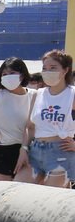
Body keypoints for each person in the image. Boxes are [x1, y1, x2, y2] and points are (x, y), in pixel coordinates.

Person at [25, 49, 75, 188]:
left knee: (50, 198)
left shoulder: (72, 94)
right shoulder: (38, 94)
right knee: (22, 190)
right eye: (44, 68)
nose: (47, 71)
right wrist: (23, 149)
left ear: (65, 70)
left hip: (60, 151)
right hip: (35, 150)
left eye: (53, 68)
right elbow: (30, 126)